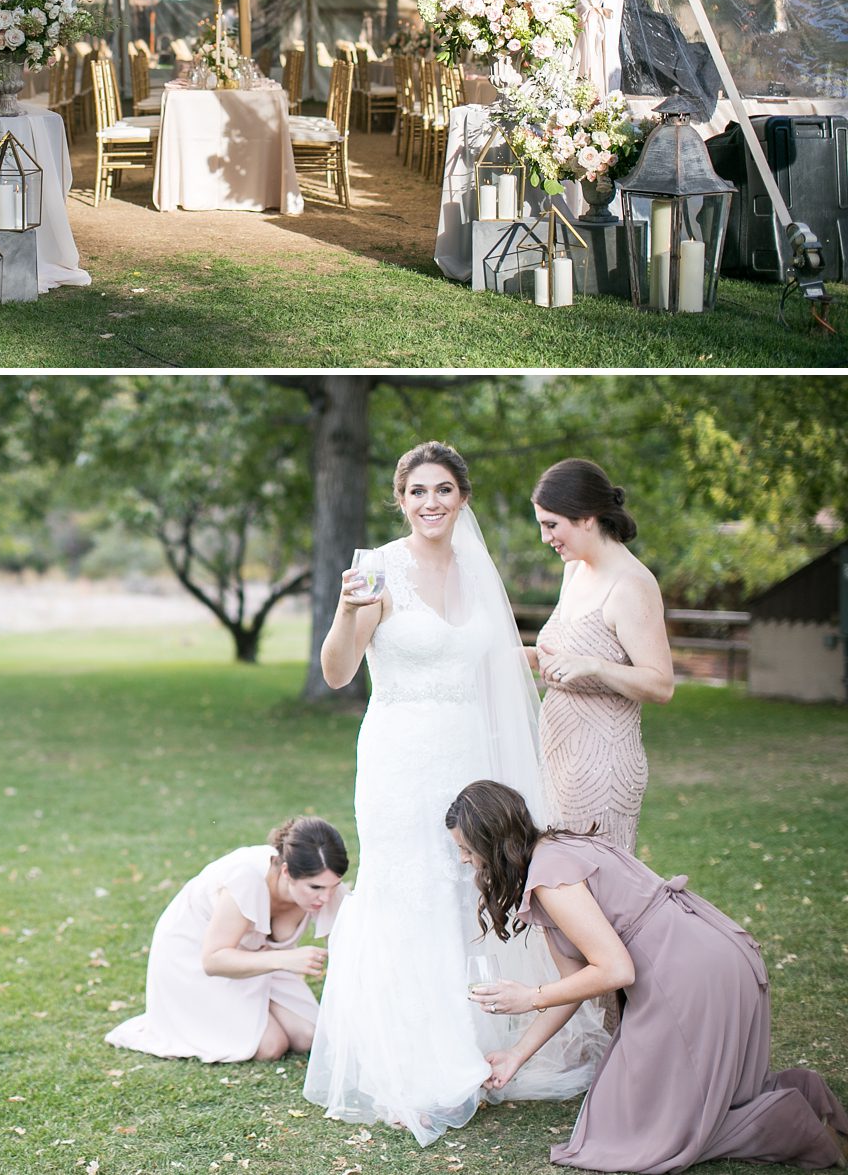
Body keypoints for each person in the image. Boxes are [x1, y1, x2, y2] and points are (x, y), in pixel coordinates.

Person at [304, 442, 604, 1146]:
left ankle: (475, 1037)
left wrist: (545, 661)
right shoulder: (376, 567)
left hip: (467, 756)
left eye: (443, 489)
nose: (430, 502)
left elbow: (495, 662)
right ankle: (411, 1056)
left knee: (462, 892)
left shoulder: (477, 571)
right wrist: (349, 612)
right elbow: (340, 670)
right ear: (400, 498)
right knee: (406, 889)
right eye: (417, 491)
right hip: (400, 756)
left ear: (462, 497)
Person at [448, 779, 848, 1172]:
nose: (466, 860)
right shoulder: (555, 850)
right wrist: (517, 1055)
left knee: (629, 1137)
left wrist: (530, 996)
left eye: (467, 850)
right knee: (645, 1110)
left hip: (685, 975)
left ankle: (787, 1125)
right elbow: (573, 986)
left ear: (491, 841)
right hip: (716, 953)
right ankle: (803, 1097)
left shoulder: (550, 877)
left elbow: (616, 969)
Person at [105, 816, 349, 1064]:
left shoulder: (326, 885)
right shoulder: (246, 879)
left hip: (263, 964)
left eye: (334, 886)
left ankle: (257, 1008)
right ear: (287, 872)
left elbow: (349, 951)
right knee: (270, 1046)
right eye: (315, 888)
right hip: (196, 961)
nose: (326, 897)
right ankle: (226, 1016)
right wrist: (285, 959)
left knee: (308, 1036)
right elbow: (213, 960)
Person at [532, 459, 673, 853]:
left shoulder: (632, 585)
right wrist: (526, 657)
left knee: (590, 893)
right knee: (556, 893)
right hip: (558, 757)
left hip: (602, 769)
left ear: (587, 518)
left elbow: (661, 685)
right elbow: (567, 653)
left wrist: (595, 666)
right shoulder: (574, 570)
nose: (546, 538)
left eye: (551, 525)